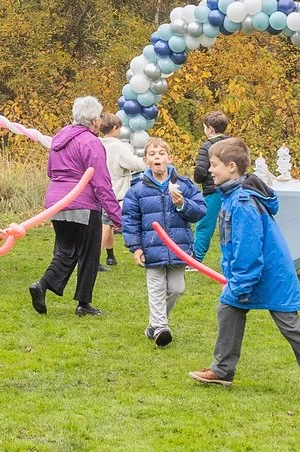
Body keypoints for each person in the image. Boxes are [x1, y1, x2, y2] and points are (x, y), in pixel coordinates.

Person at [188, 137, 300, 397]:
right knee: (228, 310)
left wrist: (240, 284)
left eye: (214, 165)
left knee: (290, 325)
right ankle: (222, 370)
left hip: (269, 275)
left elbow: (248, 249)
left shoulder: (243, 202)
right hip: (250, 275)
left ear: (232, 167)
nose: (210, 170)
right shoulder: (232, 196)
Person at [25, 97, 117, 317]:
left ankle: (42, 285)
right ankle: (83, 304)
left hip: (56, 202)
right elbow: (101, 181)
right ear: (93, 120)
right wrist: (117, 215)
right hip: (82, 203)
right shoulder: (90, 142)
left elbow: (50, 171)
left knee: (66, 251)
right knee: (89, 253)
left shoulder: (59, 138)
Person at [121, 134, 205, 347]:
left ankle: (154, 324)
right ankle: (160, 327)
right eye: (152, 154)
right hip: (152, 248)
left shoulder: (184, 186)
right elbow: (130, 221)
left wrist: (182, 205)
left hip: (179, 248)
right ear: (146, 161)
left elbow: (200, 211)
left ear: (169, 158)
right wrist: (135, 247)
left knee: (176, 288)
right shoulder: (137, 190)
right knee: (157, 288)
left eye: (161, 153)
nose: (157, 157)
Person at [186, 111, 233, 260]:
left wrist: (197, 176)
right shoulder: (232, 143)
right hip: (232, 188)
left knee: (205, 224)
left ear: (210, 129)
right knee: (232, 223)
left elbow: (200, 171)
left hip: (213, 190)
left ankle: (196, 258)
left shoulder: (207, 146)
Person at [97, 113, 140, 270]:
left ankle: (110, 256)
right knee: (106, 225)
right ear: (115, 128)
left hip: (99, 190)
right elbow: (134, 164)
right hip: (115, 191)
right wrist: (144, 161)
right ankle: (95, 260)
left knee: (106, 223)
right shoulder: (119, 147)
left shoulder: (98, 143)